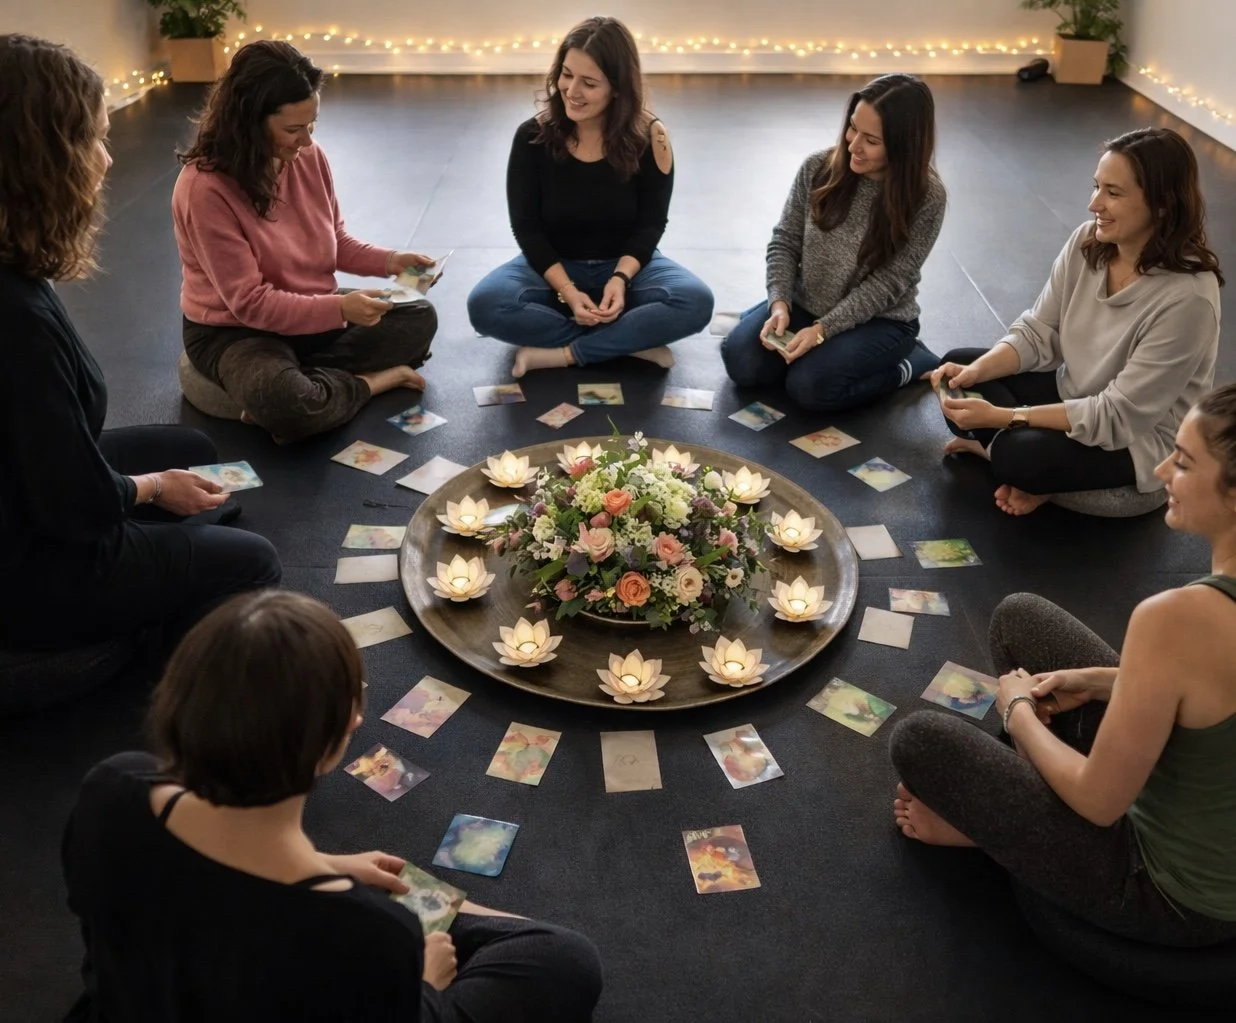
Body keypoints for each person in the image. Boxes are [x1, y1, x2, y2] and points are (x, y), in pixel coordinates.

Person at [62, 590, 604, 1021]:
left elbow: (200, 902)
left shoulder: (112, 788)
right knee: (563, 959)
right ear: (335, 740)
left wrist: (328, 867)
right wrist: (421, 984)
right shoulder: (365, 934)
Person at [889, 383, 1236, 948]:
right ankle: (1025, 804)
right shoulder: (1198, 623)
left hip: (1170, 895)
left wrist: (1019, 711)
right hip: (1197, 815)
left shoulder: (1174, 620)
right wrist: (1099, 681)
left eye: (1185, 460)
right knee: (1020, 618)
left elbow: (1102, 805)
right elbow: (1215, 687)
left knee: (921, 740)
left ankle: (993, 833)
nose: (1165, 467)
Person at [0, 35, 280, 659]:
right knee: (253, 560)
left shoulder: (14, 265)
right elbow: (74, 508)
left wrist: (153, 480)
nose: (106, 160)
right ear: (41, 159)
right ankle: (140, 653)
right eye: (92, 140)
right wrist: (151, 489)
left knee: (192, 450)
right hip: (34, 569)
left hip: (33, 493)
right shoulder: (15, 321)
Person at [930, 127, 1221, 516]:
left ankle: (1014, 464)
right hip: (1076, 396)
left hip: (1137, 438)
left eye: (1113, 193)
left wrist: (1004, 418)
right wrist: (977, 372)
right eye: (1096, 186)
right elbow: (1039, 333)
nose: (1094, 204)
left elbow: (1116, 415)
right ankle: (1017, 464)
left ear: (1163, 204)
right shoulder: (1089, 242)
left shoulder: (1190, 299)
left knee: (1020, 456)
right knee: (959, 370)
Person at [173, 40, 438, 444]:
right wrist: (341, 309)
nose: (307, 142)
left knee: (419, 315)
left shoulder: (309, 157)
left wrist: (391, 262)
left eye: (312, 126)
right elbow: (250, 304)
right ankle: (369, 383)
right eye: (294, 130)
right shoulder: (204, 189)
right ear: (248, 122)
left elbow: (335, 241)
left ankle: (301, 386)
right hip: (235, 330)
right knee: (286, 400)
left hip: (310, 309)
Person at [466, 16, 713, 377]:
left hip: (627, 268)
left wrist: (620, 279)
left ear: (618, 88)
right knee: (486, 305)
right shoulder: (531, 137)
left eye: (589, 82)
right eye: (566, 75)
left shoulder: (651, 137)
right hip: (553, 267)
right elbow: (527, 229)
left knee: (695, 301)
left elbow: (650, 224)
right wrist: (566, 289)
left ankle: (564, 352)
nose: (571, 90)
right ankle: (629, 343)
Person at [720, 74, 946, 412]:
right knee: (741, 362)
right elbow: (785, 240)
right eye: (852, 127)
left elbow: (889, 283)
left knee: (809, 389)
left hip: (880, 320)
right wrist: (780, 302)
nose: (853, 144)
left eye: (871, 140)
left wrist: (823, 330)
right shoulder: (817, 167)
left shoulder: (927, 197)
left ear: (903, 145)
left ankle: (910, 362)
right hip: (806, 304)